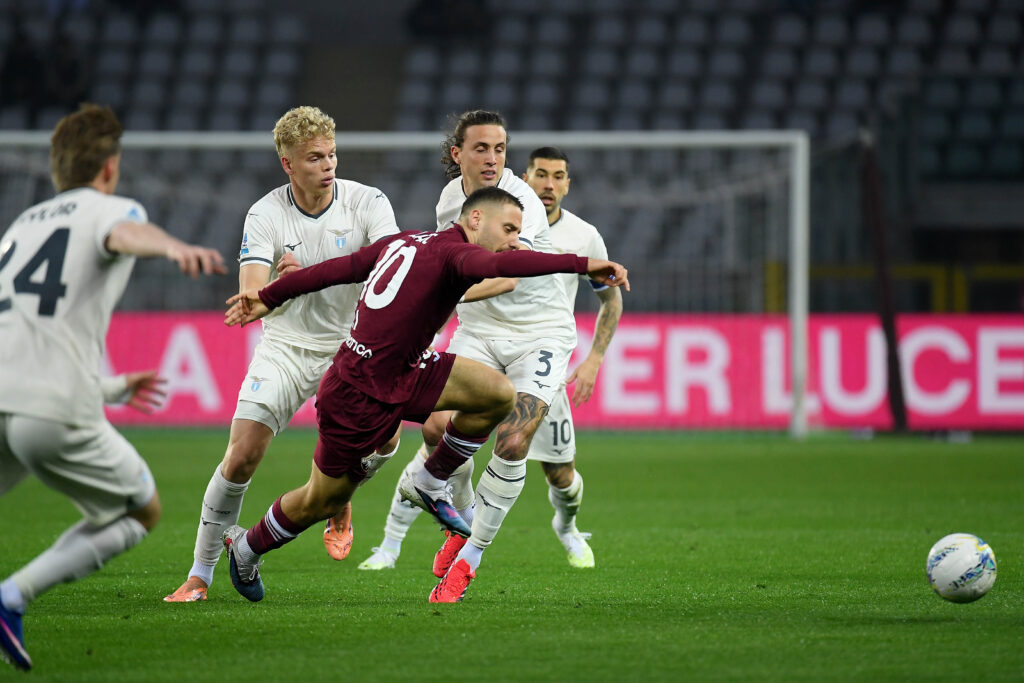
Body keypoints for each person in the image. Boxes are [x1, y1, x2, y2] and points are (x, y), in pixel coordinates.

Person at [218, 187, 628, 605]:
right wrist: (585, 264)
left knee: (497, 395)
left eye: (518, 232)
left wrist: (269, 295)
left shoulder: (405, 240)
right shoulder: (457, 255)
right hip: (358, 393)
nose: (514, 240)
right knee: (323, 500)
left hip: (407, 370)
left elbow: (336, 269)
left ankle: (430, 480)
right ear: (474, 220)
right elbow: (508, 263)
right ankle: (248, 548)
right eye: (507, 229)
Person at [0, 103, 226, 671]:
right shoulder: (112, 209)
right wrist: (172, 246)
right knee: (140, 510)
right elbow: (124, 232)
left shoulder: (19, 228)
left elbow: (27, 338)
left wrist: (113, 385)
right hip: (50, 411)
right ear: (108, 168)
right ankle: (10, 598)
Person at [163, 106, 403, 603]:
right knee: (242, 455)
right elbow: (252, 294)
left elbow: (389, 272)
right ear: (287, 164)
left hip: (353, 345)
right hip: (286, 347)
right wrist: (276, 283)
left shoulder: (368, 202)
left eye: (332, 154)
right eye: (314, 158)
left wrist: (305, 274)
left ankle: (341, 495)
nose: (328, 164)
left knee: (386, 441)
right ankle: (199, 575)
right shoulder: (265, 212)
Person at [358, 145, 622, 572]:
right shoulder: (475, 208)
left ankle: (568, 526)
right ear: (525, 178)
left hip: (539, 348)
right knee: (438, 430)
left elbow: (609, 300)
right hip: (482, 337)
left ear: (568, 184)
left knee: (559, 474)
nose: (548, 185)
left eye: (558, 177)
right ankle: (402, 541)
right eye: (541, 174)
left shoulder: (583, 235)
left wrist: (593, 360)